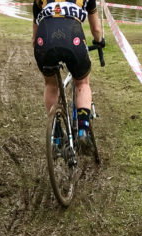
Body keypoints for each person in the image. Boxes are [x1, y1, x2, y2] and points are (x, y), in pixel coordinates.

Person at [32, 0, 105, 152]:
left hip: (44, 41)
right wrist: (99, 41)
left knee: (51, 85)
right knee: (82, 83)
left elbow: (34, 38)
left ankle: (56, 132)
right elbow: (96, 29)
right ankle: (83, 130)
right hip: (73, 39)